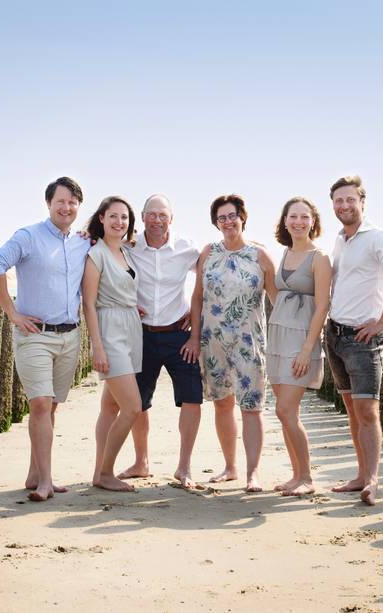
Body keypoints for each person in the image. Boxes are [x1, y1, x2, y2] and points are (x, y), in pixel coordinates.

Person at [0, 176, 91, 502]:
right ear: (49, 203)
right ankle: (46, 481)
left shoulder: (83, 241)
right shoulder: (28, 236)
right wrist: (13, 313)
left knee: (51, 406)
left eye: (73, 202)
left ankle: (34, 471)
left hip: (70, 336)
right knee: (40, 403)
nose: (67, 207)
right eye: (61, 201)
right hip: (34, 336)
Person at [324, 175, 383, 506]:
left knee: (368, 411)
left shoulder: (377, 238)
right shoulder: (340, 239)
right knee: (350, 408)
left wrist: (381, 322)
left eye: (350, 199)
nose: (344, 205)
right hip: (336, 334)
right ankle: (360, 475)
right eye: (338, 201)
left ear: (362, 201)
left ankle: (373, 482)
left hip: (363, 339)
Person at [186, 194, 277, 493]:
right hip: (213, 342)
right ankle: (230, 467)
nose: (227, 222)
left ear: (243, 217)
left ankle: (253, 474)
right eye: (221, 218)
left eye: (232, 216)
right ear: (216, 222)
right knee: (223, 404)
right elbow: (197, 298)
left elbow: (278, 300)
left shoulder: (260, 255)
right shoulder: (208, 252)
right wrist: (194, 337)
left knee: (251, 407)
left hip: (249, 342)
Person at [117, 194, 204, 489]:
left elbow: (212, 269)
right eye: (151, 215)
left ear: (172, 218)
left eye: (162, 215)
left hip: (179, 334)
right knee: (138, 402)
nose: (157, 220)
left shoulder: (186, 248)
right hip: (140, 334)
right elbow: (100, 255)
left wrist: (196, 316)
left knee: (192, 398)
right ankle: (141, 462)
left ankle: (184, 467)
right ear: (142, 217)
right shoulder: (128, 246)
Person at [266, 197, 331, 497]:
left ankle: (307, 477)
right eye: (293, 216)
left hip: (301, 340)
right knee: (284, 413)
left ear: (313, 222)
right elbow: (275, 295)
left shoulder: (320, 258)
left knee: (285, 409)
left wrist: (308, 349)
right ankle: (295, 475)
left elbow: (322, 307)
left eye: (305, 217)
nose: (299, 222)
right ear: (285, 221)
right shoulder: (284, 253)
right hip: (278, 337)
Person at [82, 196, 144, 492]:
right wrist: (98, 346)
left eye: (125, 218)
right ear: (102, 219)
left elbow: (123, 288)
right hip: (110, 332)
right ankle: (107, 472)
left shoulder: (126, 252)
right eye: (113, 216)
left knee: (109, 406)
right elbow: (89, 304)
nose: (119, 222)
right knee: (132, 407)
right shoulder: (96, 254)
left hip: (132, 329)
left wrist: (133, 306)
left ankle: (98, 471)